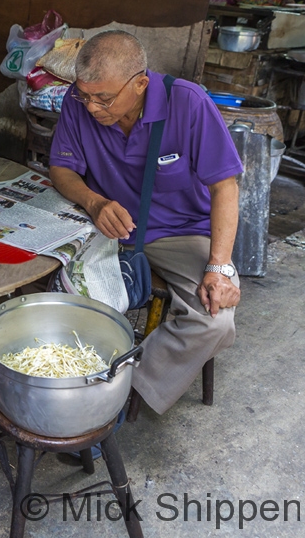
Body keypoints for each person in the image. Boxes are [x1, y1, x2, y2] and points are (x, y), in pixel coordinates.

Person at [48, 30, 243, 415]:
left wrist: (220, 267)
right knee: (58, 294)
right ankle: (64, 376)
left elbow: (225, 187)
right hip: (107, 226)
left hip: (180, 231)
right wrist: (94, 201)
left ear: (140, 83)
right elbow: (61, 167)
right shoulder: (78, 101)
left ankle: (115, 391)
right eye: (85, 96)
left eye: (103, 98)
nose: (91, 108)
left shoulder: (188, 103)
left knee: (214, 322)